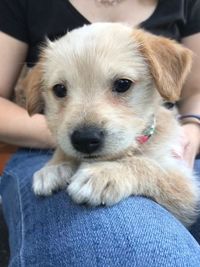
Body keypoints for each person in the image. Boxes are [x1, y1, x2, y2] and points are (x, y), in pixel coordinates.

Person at [0, 0, 200, 266]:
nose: (86, 126)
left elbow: (185, 201)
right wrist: (61, 154)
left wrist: (192, 128)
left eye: (121, 85)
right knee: (119, 244)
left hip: (185, 143)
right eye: (61, 91)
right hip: (37, 150)